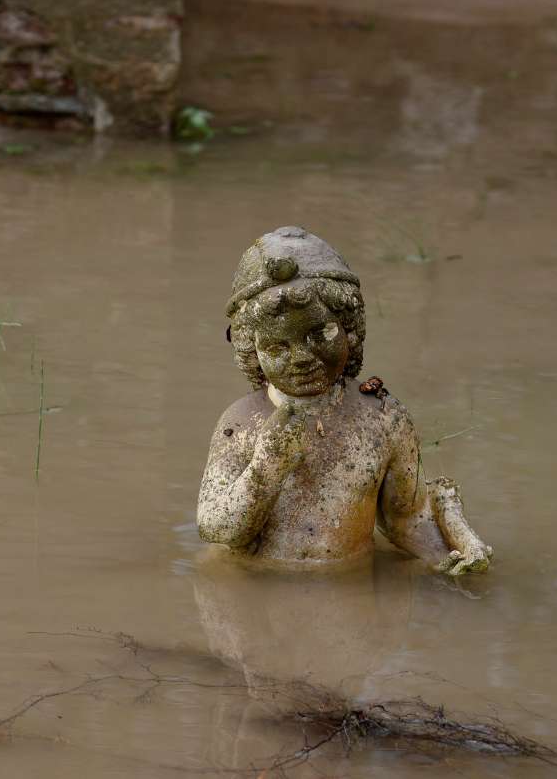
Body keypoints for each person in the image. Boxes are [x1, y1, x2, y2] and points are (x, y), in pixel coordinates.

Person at [197, 226, 492, 575]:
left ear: (349, 328)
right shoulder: (241, 424)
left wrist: (450, 556)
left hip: (347, 584)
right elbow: (215, 529)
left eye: (319, 333)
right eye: (278, 347)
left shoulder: (384, 417)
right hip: (251, 582)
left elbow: (406, 516)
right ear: (253, 351)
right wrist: (267, 466)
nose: (302, 357)